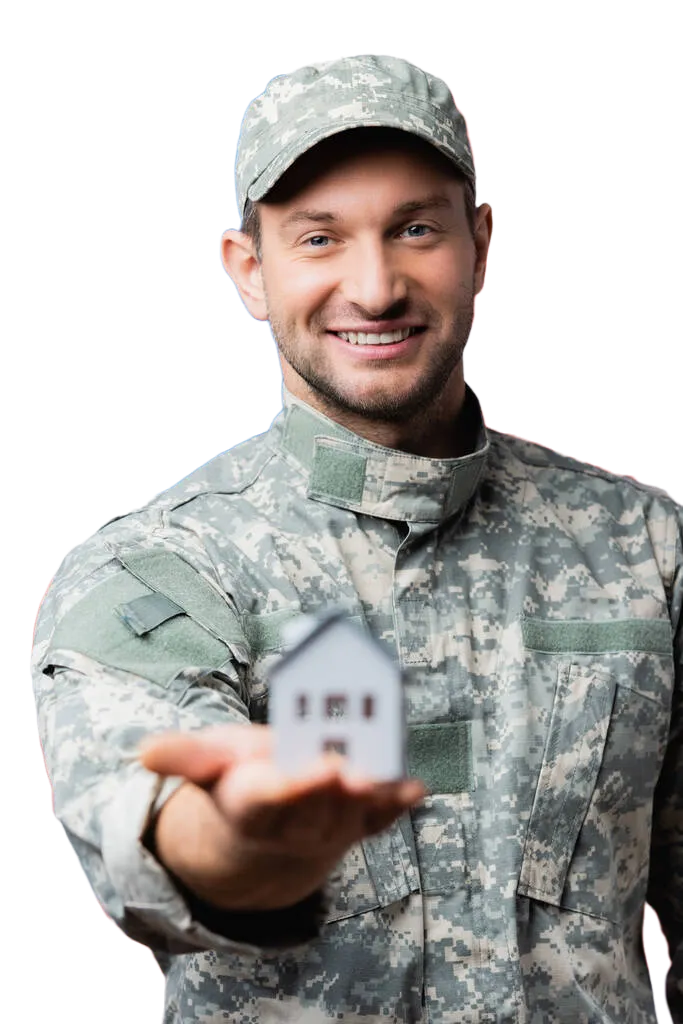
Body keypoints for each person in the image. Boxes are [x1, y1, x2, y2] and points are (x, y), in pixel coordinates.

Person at [31, 54, 681, 1023]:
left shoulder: (649, 546)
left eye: (414, 228)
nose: (373, 287)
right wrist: (249, 848)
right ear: (248, 271)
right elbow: (143, 817)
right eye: (319, 238)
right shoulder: (159, 568)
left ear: (480, 242)